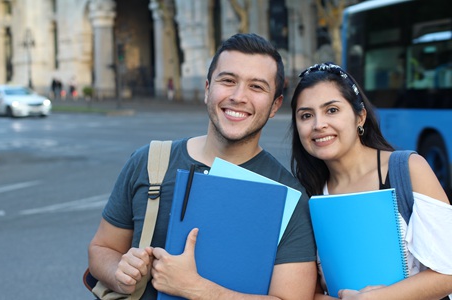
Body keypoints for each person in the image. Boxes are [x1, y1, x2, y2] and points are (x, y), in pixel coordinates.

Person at [88, 33, 317, 299]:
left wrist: (195, 288)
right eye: (228, 81)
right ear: (208, 89)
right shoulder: (149, 161)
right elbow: (101, 248)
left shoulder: (289, 195)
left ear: (275, 104)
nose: (239, 96)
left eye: (257, 87)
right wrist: (120, 272)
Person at [289, 62, 452, 300]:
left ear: (360, 117)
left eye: (332, 110)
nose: (318, 124)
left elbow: (448, 272)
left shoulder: (407, 170)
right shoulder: (308, 193)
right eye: (306, 115)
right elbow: (306, 290)